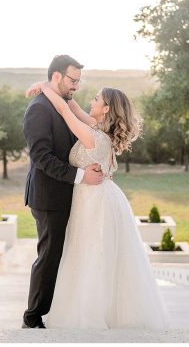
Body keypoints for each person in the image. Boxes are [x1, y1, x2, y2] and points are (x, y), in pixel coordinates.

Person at [26, 76, 169, 329]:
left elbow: (62, 109)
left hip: (95, 199)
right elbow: (71, 106)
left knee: (91, 254)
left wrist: (48, 89)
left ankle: (89, 315)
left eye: (96, 99)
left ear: (105, 109)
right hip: (103, 196)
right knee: (95, 253)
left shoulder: (93, 136)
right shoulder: (99, 128)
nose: (90, 100)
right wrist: (45, 84)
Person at [22, 54, 104, 329]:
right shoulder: (39, 109)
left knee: (65, 254)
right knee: (49, 256)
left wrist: (45, 85)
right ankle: (33, 318)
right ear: (57, 76)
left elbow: (73, 115)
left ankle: (61, 309)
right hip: (49, 197)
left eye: (79, 81)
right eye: (73, 80)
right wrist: (81, 176)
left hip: (71, 194)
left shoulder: (64, 102)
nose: (77, 87)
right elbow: (41, 158)